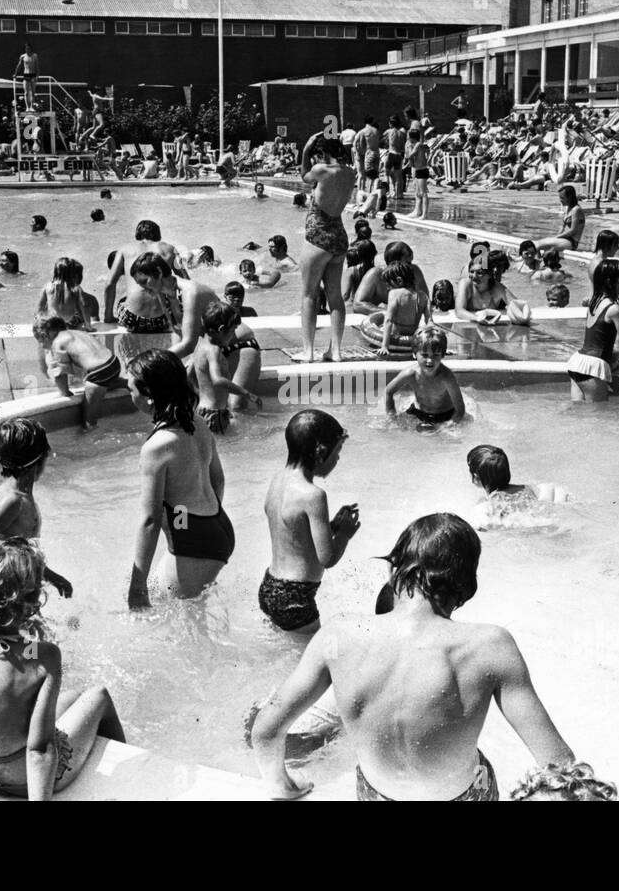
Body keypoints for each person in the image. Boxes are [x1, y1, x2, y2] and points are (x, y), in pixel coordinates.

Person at [250, 513, 576, 800]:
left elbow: (265, 731)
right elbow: (560, 767)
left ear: (394, 571)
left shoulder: (338, 635)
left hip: (377, 795)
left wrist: (283, 788)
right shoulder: (492, 647)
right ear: (466, 584)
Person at [0, 537, 123, 800]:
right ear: (30, 601)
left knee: (73, 699)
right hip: (32, 780)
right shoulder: (44, 657)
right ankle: (128, 782)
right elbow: (39, 750)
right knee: (98, 696)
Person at [126, 349, 233, 608]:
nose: (129, 395)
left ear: (149, 395)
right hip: (216, 526)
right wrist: (194, 523)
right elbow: (218, 480)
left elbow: (150, 521)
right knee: (167, 598)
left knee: (174, 621)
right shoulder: (197, 423)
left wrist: (136, 588)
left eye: (132, 389)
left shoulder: (157, 447)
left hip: (194, 542)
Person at [260, 410, 358, 633]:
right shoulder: (314, 495)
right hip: (297, 597)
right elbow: (327, 558)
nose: (338, 458)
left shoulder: (277, 481)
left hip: (270, 588)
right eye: (338, 451)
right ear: (320, 452)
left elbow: (295, 533)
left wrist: (331, 525)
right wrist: (344, 534)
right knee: (311, 663)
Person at [0, 419, 73, 597]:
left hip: (22, 582)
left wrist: (50, 576)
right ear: (41, 459)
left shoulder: (17, 494)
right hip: (13, 590)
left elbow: (20, 548)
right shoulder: (13, 501)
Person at [297, 133, 356, 363]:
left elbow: (304, 176)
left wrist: (305, 150)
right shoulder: (350, 173)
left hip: (318, 235)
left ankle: (308, 351)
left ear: (322, 153)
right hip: (339, 237)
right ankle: (336, 351)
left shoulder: (323, 169)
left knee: (309, 294)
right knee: (335, 296)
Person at [34, 316, 122, 430]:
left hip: (99, 371)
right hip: (114, 363)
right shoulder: (77, 333)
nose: (42, 346)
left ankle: (92, 433)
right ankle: (125, 383)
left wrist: (64, 392)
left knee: (88, 420)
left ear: (44, 336)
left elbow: (59, 372)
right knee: (103, 383)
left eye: (39, 342)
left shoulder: (57, 343)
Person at [567, 260, 619, 402]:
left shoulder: (594, 304)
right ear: (611, 282)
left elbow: (599, 342)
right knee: (599, 417)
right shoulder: (614, 309)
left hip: (576, 364)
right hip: (592, 369)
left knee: (578, 414)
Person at [190, 302, 262, 435]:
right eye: (233, 329)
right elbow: (218, 380)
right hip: (215, 413)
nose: (234, 334)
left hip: (202, 409)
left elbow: (189, 376)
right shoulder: (214, 350)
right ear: (222, 329)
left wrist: (202, 394)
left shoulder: (199, 346)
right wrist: (246, 393)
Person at [102, 220, 187, 322]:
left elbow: (109, 283)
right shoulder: (171, 249)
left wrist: (108, 317)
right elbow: (186, 280)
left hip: (132, 319)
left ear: (137, 235)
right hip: (162, 320)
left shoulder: (125, 249)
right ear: (158, 234)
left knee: (123, 300)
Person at [383, 327, 465, 428]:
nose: (430, 360)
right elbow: (388, 391)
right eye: (424, 355)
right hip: (418, 413)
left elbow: (460, 409)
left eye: (435, 355)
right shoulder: (410, 373)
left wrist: (451, 424)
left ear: (443, 355)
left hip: (445, 415)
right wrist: (392, 416)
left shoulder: (446, 377)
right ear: (414, 354)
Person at [456, 248, 528, 325]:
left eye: (480, 273)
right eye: (471, 272)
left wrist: (523, 317)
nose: (474, 276)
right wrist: (477, 318)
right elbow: (459, 311)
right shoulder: (466, 284)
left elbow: (518, 305)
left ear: (489, 274)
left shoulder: (498, 288)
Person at [374, 260, 424, 357]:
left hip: (396, 335)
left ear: (399, 281)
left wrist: (384, 346)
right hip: (412, 335)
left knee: (383, 326)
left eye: (389, 285)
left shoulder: (394, 293)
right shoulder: (419, 295)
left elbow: (388, 320)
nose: (388, 288)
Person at [38, 256, 94, 331]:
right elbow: (84, 305)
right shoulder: (75, 288)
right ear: (72, 272)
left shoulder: (47, 286)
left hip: (52, 323)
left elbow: (40, 307)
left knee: (47, 311)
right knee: (78, 316)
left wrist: (39, 323)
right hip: (69, 324)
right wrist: (88, 325)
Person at [534, 184, 586, 252]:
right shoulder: (568, 208)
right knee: (536, 244)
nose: (560, 200)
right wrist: (555, 237)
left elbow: (573, 230)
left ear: (569, 197)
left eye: (562, 198)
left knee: (538, 245)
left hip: (571, 242)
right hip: (563, 240)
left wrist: (556, 237)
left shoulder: (576, 210)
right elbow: (563, 227)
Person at [405, 128, 431, 219]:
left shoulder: (418, 145)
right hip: (418, 170)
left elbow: (410, 155)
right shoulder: (417, 144)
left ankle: (425, 214)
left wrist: (411, 161)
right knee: (418, 193)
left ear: (411, 138)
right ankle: (418, 211)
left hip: (422, 170)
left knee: (423, 193)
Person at [15, 43, 40, 111]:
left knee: (33, 92)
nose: (27, 50)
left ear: (31, 49)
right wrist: (15, 74)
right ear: (25, 49)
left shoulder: (35, 56)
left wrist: (37, 76)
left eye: (29, 48)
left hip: (33, 75)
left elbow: (37, 66)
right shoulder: (23, 56)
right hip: (26, 75)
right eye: (26, 49)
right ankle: (27, 107)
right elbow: (19, 66)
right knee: (26, 92)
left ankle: (32, 107)